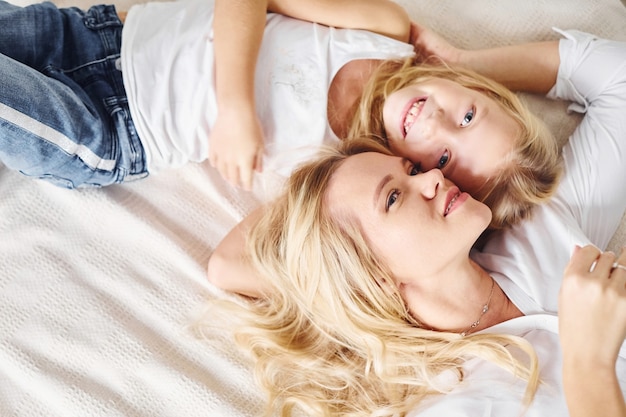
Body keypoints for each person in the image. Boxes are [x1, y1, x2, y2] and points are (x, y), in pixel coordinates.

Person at [205, 28, 626, 416]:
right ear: (375, 278)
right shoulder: (457, 398)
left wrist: (456, 68)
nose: (433, 176)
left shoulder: (538, 229)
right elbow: (228, 265)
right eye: (392, 197)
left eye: (411, 168)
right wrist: (590, 364)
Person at [0, 0, 558, 230]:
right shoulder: (382, 29)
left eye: (443, 157)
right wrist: (235, 104)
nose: (434, 125)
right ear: (472, 86)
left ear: (427, 177)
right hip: (97, 34)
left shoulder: (349, 168)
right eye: (468, 116)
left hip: (110, 131)